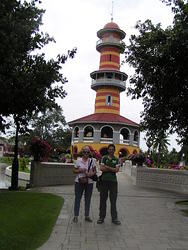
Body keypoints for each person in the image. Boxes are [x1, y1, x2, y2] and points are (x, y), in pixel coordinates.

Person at [97, 144, 121, 225]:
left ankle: (114, 218)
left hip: (113, 182)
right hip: (104, 181)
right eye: (109, 149)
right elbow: (101, 168)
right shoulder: (104, 157)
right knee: (103, 200)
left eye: (112, 149)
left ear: (114, 150)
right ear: (108, 150)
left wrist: (107, 167)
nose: (111, 150)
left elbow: (117, 170)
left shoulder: (116, 159)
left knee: (113, 201)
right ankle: (101, 217)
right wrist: (112, 169)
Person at [72, 146, 97, 223]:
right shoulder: (78, 160)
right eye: (84, 152)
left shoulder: (92, 161)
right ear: (82, 152)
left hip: (89, 182)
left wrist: (90, 174)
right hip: (79, 182)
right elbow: (74, 170)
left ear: (89, 153)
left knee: (88, 199)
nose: (86, 153)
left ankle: (87, 216)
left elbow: (95, 171)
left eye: (87, 152)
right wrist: (80, 170)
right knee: (77, 199)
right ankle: (76, 216)